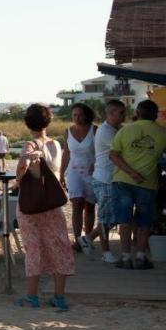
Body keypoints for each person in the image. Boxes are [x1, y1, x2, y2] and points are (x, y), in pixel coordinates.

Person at [16, 103, 73, 311]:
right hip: (52, 203)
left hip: (31, 204)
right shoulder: (56, 145)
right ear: (48, 121)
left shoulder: (30, 144)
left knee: (34, 247)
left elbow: (21, 170)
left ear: (27, 122)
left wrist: (19, 176)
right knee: (59, 246)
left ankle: (32, 296)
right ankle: (59, 296)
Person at [108, 99, 166, 270]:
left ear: (137, 112)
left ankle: (125, 257)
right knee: (144, 221)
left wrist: (130, 172)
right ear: (155, 114)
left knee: (125, 220)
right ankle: (141, 257)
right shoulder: (163, 133)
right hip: (147, 183)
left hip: (123, 180)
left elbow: (113, 155)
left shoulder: (125, 130)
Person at [90, 99, 126, 263]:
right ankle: (105, 251)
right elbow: (122, 150)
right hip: (104, 178)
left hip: (112, 178)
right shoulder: (106, 131)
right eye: (121, 112)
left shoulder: (117, 129)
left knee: (116, 216)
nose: (124, 115)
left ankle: (88, 238)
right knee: (106, 217)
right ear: (111, 113)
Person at [60, 103, 97, 253]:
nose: (77, 118)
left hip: (92, 171)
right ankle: (77, 239)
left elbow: (103, 151)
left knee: (90, 206)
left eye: (80, 115)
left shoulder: (95, 130)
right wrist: (61, 173)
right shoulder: (68, 131)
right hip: (74, 171)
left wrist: (97, 164)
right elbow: (66, 153)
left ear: (86, 115)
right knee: (76, 204)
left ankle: (87, 238)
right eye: (74, 115)